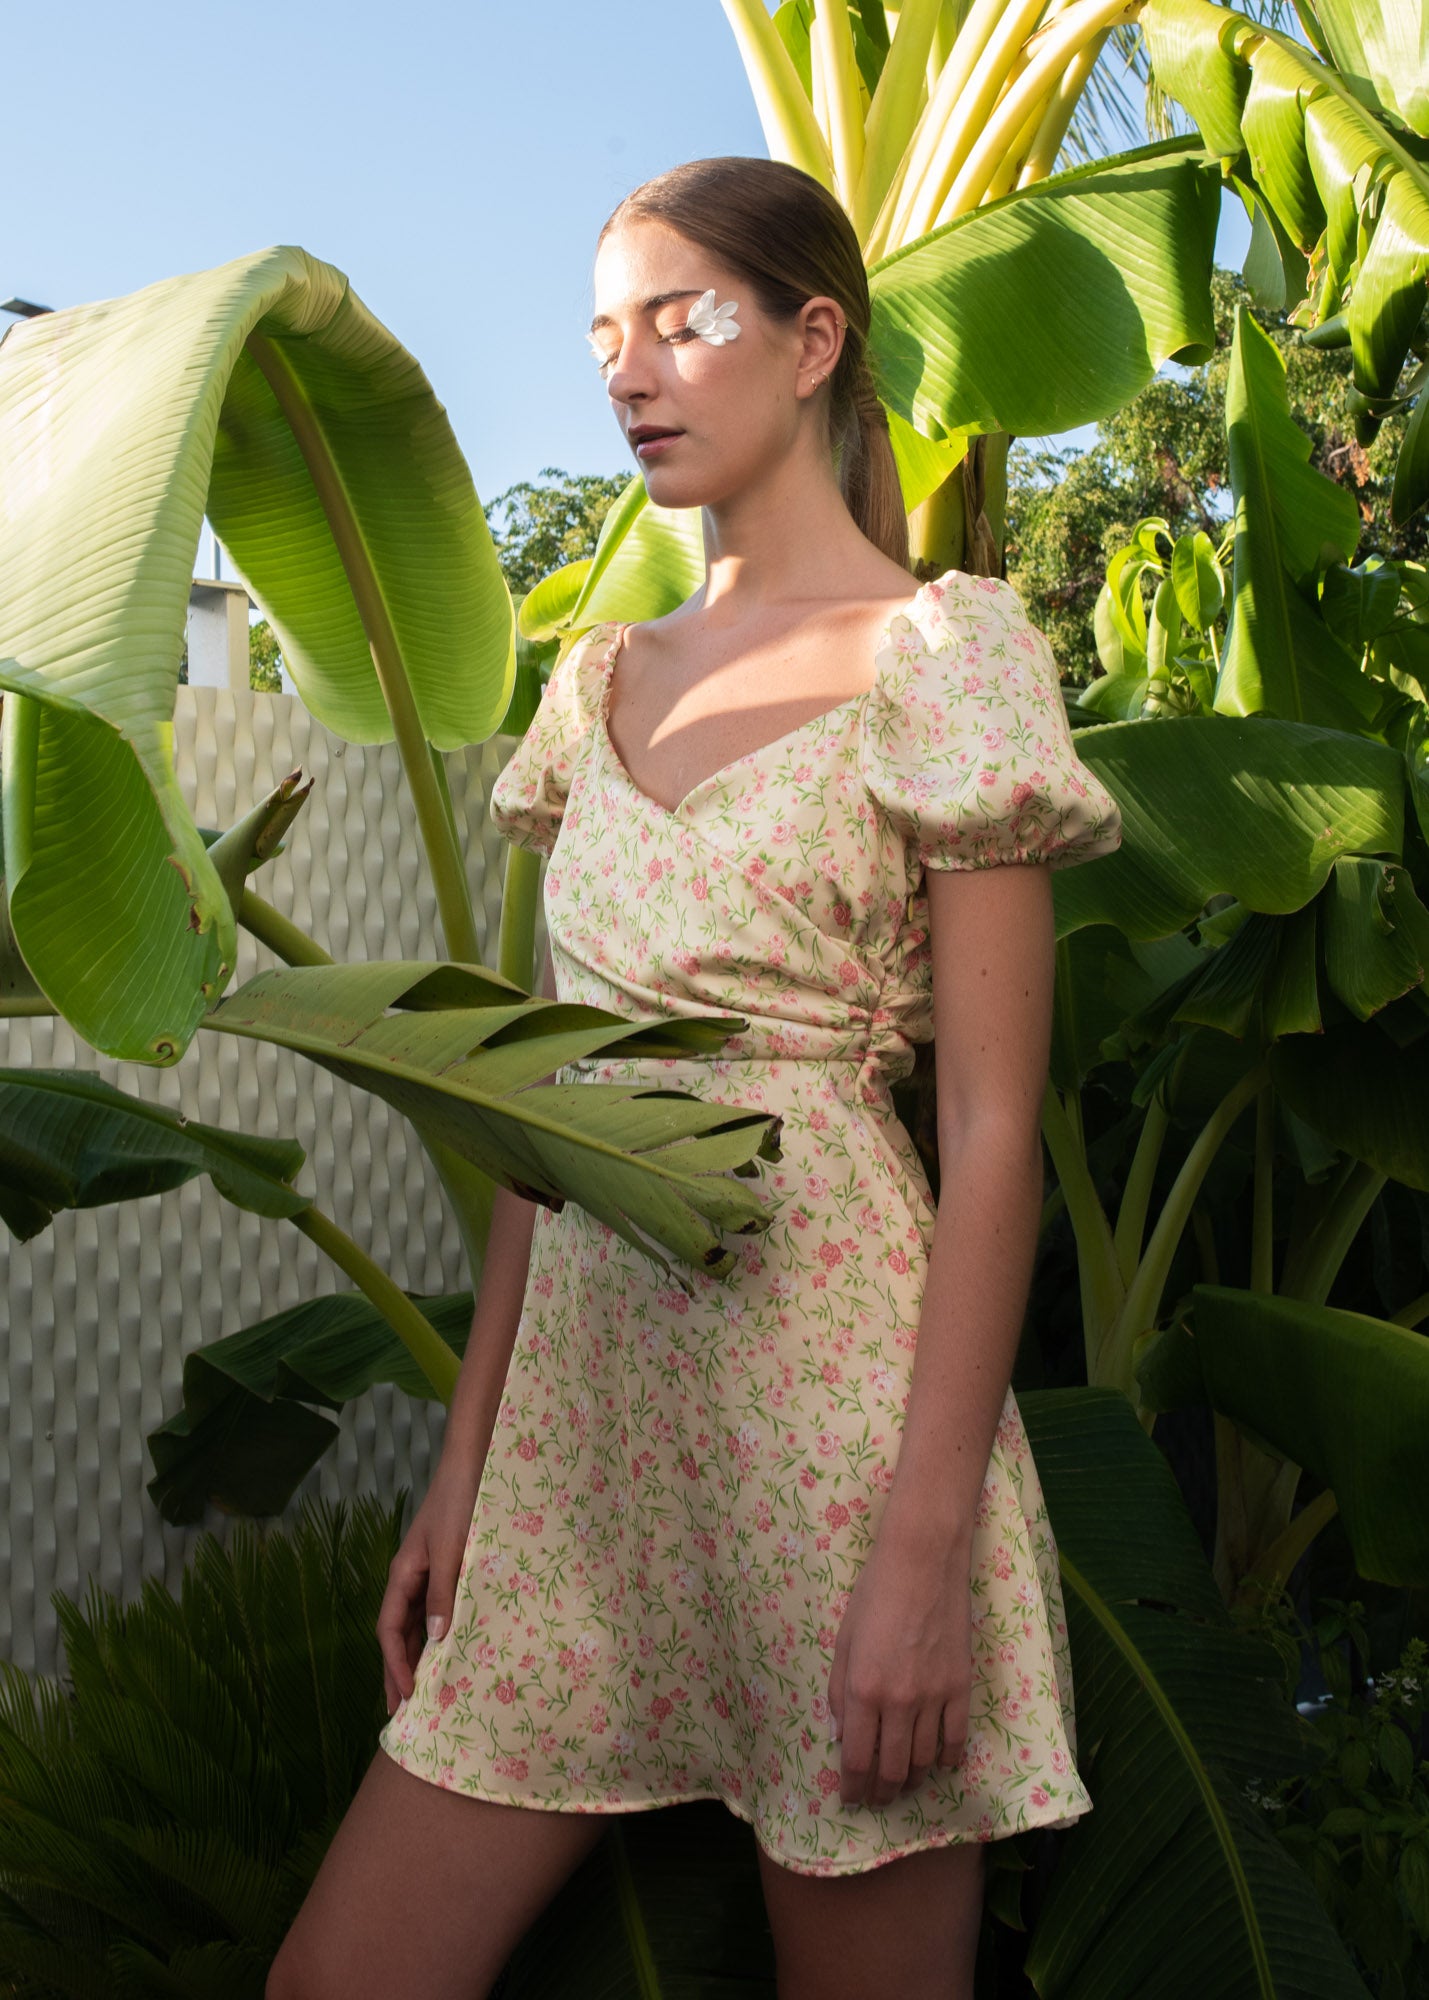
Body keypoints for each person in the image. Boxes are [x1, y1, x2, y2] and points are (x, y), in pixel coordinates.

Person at [266, 154, 1121, 2000]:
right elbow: (535, 1117)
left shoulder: (941, 656)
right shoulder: (596, 683)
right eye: (604, 334)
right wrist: (464, 1473)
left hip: (839, 1442)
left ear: (815, 341)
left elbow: (987, 1144)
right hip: (579, 1457)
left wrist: (920, 1559)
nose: (631, 371)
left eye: (683, 318)